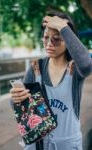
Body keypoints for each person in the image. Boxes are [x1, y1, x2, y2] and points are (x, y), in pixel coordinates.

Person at [10, 11, 92, 150]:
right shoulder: (36, 68)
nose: (49, 43)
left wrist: (63, 27)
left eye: (56, 39)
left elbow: (87, 65)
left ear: (67, 39)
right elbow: (21, 108)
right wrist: (15, 98)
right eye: (46, 38)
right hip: (37, 144)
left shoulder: (75, 69)